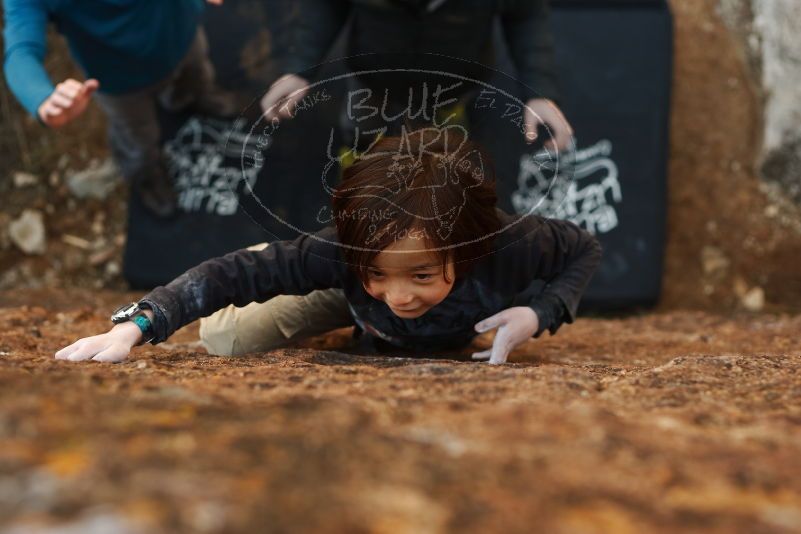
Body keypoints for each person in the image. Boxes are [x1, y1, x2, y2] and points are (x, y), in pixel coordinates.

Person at [54, 128, 601, 365]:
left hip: (445, 315)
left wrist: (540, 312)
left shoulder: (507, 243)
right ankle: (297, 267)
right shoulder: (341, 254)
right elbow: (230, 275)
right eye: (381, 272)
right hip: (345, 298)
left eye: (421, 276)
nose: (400, 295)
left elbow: (583, 250)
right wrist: (137, 325)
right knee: (228, 337)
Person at [2, 0, 233, 217]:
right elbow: (21, 49)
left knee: (196, 76)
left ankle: (189, 99)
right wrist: (41, 98)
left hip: (181, 34)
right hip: (120, 80)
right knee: (137, 138)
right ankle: (147, 176)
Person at [262, 0, 573, 151]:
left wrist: (539, 90)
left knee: (437, 148)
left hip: (454, 83)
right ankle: (359, 160)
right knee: (360, 134)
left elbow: (526, 17)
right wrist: (299, 70)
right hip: (372, 77)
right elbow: (327, 6)